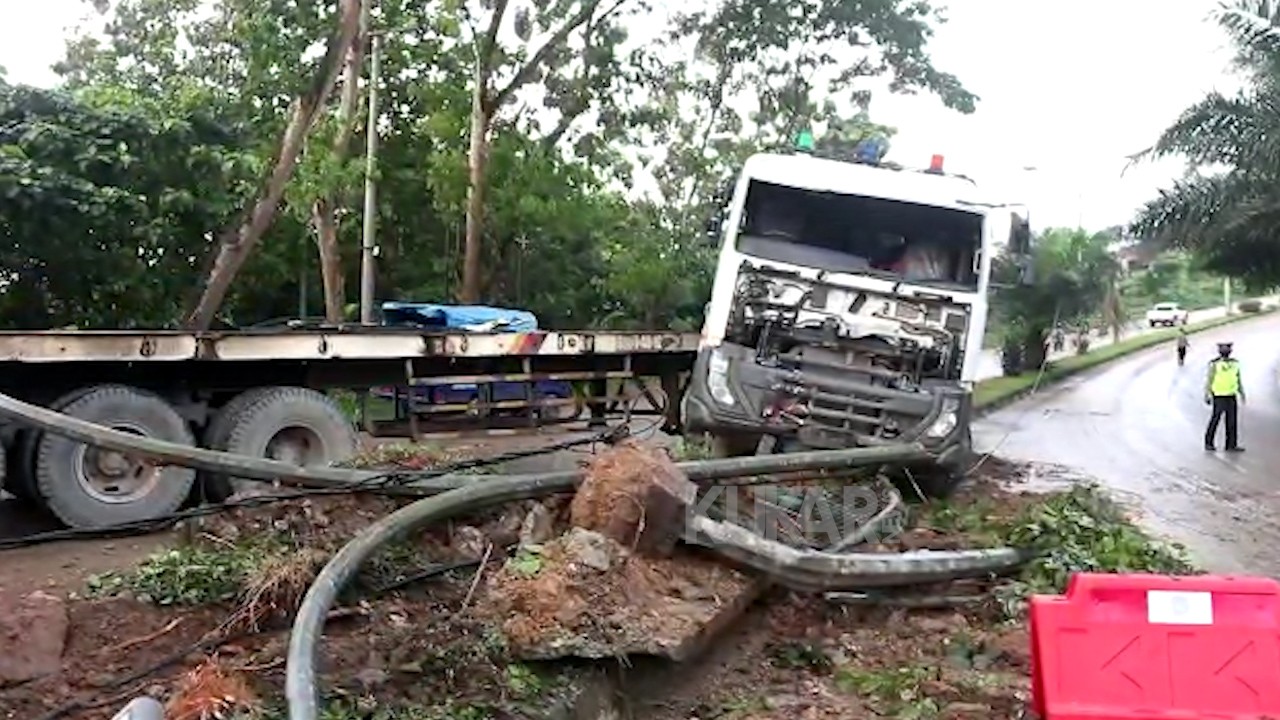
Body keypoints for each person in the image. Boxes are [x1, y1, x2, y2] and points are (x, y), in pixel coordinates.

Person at [1204, 341, 1245, 452]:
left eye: (1227, 349)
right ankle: (1209, 442)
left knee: (1232, 421)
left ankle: (1231, 444)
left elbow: (1238, 378)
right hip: (1219, 395)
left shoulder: (1235, 363)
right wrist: (1207, 394)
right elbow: (1209, 379)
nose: (1226, 351)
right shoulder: (1215, 364)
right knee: (1215, 419)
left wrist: (1242, 393)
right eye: (1224, 349)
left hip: (1231, 394)